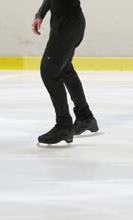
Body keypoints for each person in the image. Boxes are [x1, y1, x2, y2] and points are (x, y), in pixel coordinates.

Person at [31, 0, 98, 144]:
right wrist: (40, 14)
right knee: (65, 68)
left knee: (49, 71)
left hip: (67, 25)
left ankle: (64, 125)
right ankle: (85, 117)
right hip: (68, 24)